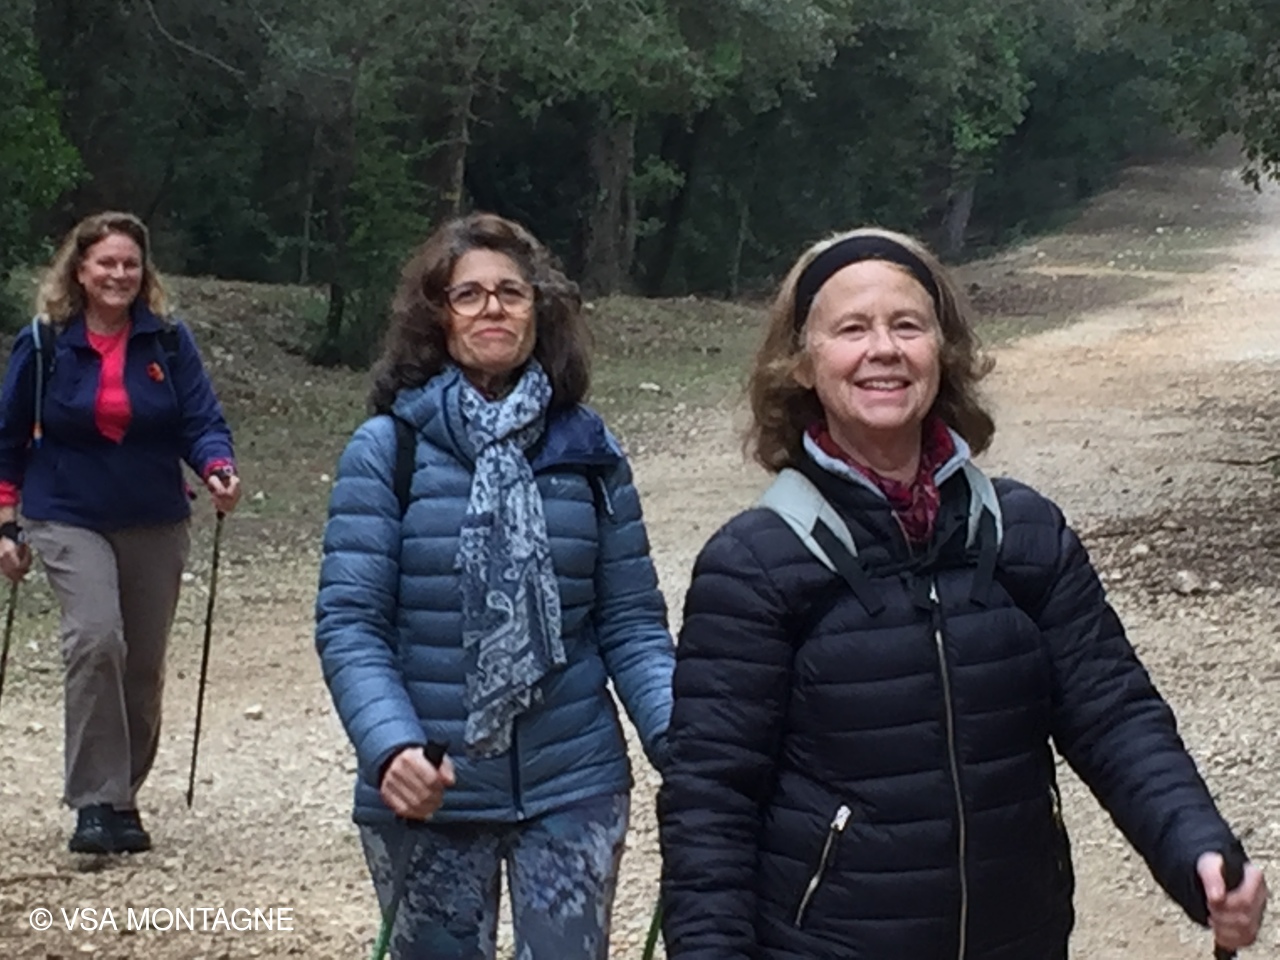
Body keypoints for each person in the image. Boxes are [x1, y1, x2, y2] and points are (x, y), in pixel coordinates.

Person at [656, 227, 1268, 958]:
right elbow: (711, 802)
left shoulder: (1024, 533)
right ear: (802, 363)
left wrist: (1197, 850)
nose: (884, 349)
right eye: (851, 329)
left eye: (907, 325)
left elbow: (1114, 716)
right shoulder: (755, 563)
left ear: (943, 353)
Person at [314, 212, 675, 960]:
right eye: (468, 294)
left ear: (539, 311)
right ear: (436, 316)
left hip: (574, 779)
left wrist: (680, 739)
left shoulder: (590, 448)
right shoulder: (388, 449)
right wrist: (390, 746)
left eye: (512, 292)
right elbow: (351, 622)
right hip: (431, 785)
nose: (493, 309)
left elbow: (631, 622)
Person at [0, 211, 241, 855]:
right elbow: (9, 436)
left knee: (142, 663)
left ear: (144, 271)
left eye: (130, 263)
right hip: (66, 512)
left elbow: (201, 420)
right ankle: (92, 801)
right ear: (80, 270)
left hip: (154, 514)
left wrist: (217, 467)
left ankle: (122, 798)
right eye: (106, 262)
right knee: (95, 637)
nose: (119, 274)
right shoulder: (44, 343)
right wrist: (5, 520)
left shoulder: (167, 341)